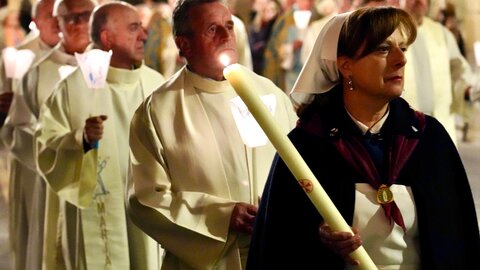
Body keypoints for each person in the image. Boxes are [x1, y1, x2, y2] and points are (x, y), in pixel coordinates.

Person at [247, 7, 480, 269]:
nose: (400, 59)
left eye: (402, 48)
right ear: (346, 66)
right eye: (382, 49)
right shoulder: (308, 145)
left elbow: (458, 236)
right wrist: (319, 239)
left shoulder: (428, 138)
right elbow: (279, 244)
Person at [126, 0, 297, 269]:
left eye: (229, 26)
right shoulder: (158, 110)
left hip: (274, 251)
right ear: (184, 44)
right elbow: (146, 199)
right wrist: (221, 216)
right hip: (206, 259)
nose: (227, 36)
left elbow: (300, 171)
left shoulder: (269, 95)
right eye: (212, 29)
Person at [35, 2, 166, 269]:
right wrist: (79, 139)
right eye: (133, 28)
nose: (144, 35)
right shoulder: (71, 88)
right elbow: (45, 147)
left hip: (148, 213)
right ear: (107, 38)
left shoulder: (156, 84)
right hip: (98, 211)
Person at [0, 0, 59, 269]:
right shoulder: (21, 56)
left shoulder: (86, 55)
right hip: (30, 162)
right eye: (51, 17)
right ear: (36, 21)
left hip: (69, 155)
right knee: (33, 231)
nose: (58, 22)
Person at [392, 0, 475, 144]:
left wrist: (466, 90)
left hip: (441, 128)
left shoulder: (441, 33)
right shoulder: (389, 31)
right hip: (403, 130)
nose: (420, 1)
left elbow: (458, 72)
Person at [262, 0, 315, 92]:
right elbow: (275, 49)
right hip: (291, 73)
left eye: (311, 1)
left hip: (309, 72)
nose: (308, 3)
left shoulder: (314, 17)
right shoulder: (286, 20)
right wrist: (291, 47)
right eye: (306, 0)